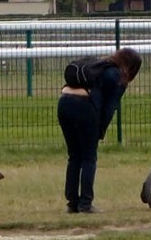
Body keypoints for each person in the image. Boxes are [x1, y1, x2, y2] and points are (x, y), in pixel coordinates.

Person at [57, 47, 142, 214]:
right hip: (84, 107)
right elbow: (110, 107)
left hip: (64, 102)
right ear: (132, 68)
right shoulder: (117, 76)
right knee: (89, 157)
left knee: (74, 156)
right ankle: (85, 204)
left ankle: (72, 202)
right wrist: (100, 131)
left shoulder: (98, 64)